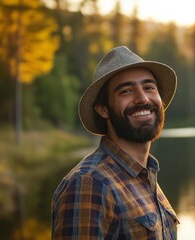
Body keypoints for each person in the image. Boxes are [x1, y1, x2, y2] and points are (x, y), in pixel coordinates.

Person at [51, 46, 179, 239]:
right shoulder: (90, 183)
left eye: (149, 87)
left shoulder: (145, 176)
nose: (142, 98)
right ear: (103, 109)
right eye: (126, 91)